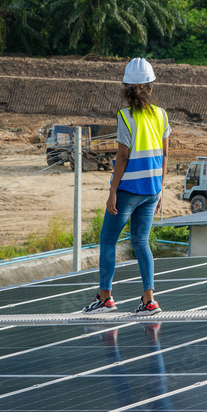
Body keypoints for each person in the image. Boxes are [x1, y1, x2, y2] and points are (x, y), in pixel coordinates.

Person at [82, 57, 170, 316]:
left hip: (129, 190)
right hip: (153, 189)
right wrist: (162, 189)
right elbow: (165, 155)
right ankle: (149, 300)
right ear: (150, 88)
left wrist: (112, 192)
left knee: (108, 239)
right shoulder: (162, 115)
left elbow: (122, 157)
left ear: (126, 89)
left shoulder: (125, 117)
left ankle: (105, 298)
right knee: (141, 241)